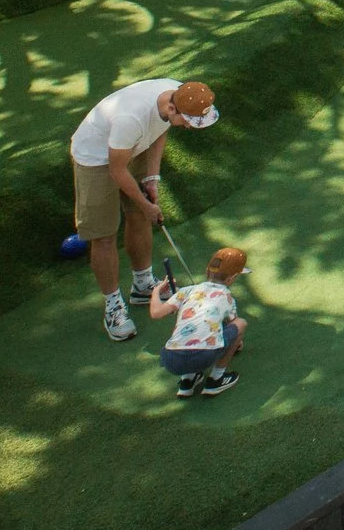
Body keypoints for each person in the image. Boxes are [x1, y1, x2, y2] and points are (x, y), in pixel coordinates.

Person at [69, 78, 219, 342]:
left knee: (139, 216)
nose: (189, 127)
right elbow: (116, 170)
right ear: (173, 109)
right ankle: (113, 305)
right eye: (188, 121)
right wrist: (145, 203)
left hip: (132, 146)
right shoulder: (131, 118)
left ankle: (142, 285)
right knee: (103, 235)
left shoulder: (176, 93)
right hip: (96, 158)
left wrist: (152, 179)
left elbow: (159, 131)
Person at [150, 245, 249, 399]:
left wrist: (156, 291)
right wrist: (237, 342)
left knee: (189, 331)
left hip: (171, 360)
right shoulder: (227, 296)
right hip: (203, 357)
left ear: (207, 271)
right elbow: (233, 323)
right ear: (231, 278)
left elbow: (156, 313)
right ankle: (216, 379)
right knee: (241, 324)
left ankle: (188, 380)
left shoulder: (186, 291)